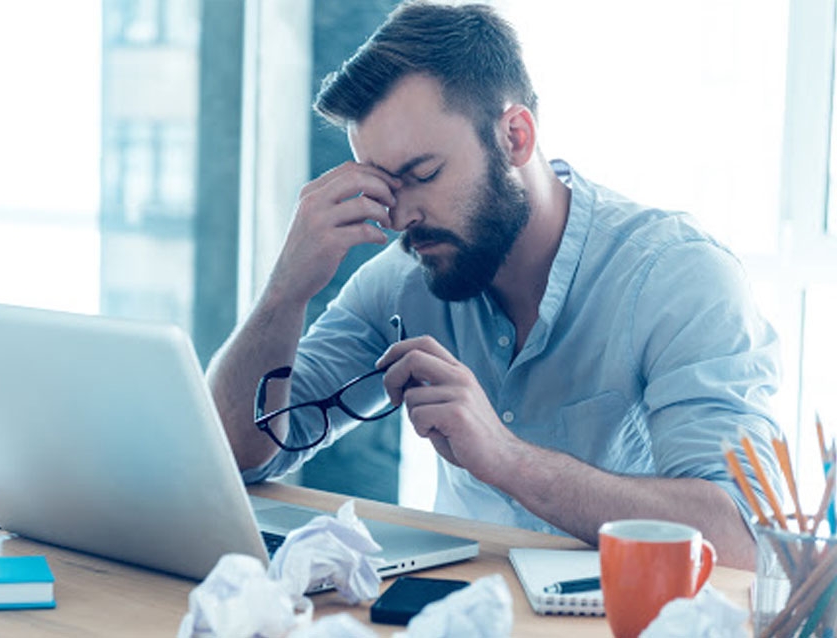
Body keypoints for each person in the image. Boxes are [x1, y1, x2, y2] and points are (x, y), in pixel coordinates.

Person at [207, 1, 782, 569]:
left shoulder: (678, 278)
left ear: (515, 136)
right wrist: (285, 290)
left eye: (424, 175)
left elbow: (741, 540)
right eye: (384, 187)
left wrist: (508, 459)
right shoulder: (402, 281)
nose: (402, 216)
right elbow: (238, 454)